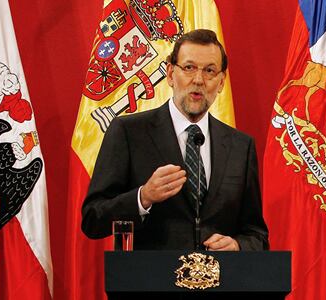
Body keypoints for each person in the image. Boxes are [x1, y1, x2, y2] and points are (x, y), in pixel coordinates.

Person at [81, 29, 268, 251]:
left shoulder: (241, 146)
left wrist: (238, 245)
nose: (198, 80)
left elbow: (256, 235)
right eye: (189, 68)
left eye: (209, 70)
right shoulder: (129, 132)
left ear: (221, 82)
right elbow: (93, 219)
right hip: (150, 281)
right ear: (170, 73)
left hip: (219, 282)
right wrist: (143, 197)